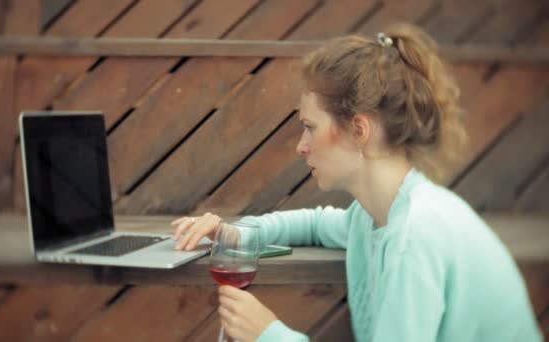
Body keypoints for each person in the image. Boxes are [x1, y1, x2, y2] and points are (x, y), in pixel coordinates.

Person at [171, 23, 542, 342]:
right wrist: (234, 233)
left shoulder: (414, 237)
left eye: (310, 128)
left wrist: (270, 334)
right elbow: (316, 224)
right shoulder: (376, 216)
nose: (301, 147)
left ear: (359, 130)